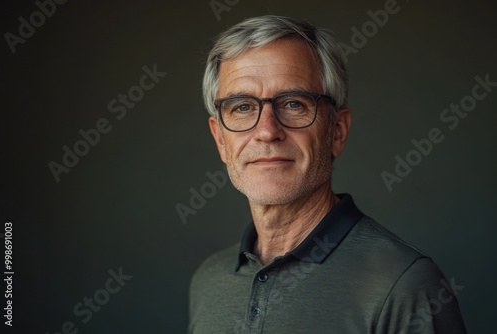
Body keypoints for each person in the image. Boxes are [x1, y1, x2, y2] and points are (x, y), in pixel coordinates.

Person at [188, 15, 466, 334]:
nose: (266, 131)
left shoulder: (405, 285)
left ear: (336, 131)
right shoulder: (208, 282)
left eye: (293, 103)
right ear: (221, 140)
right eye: (241, 107)